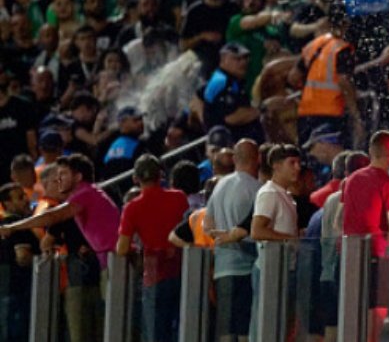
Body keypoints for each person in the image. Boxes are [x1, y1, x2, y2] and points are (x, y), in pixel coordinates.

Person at [116, 155, 190, 342]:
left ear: (135, 178)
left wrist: (135, 248)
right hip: (182, 270)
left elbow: (122, 248)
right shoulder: (179, 197)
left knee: (155, 333)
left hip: (155, 273)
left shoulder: (132, 208)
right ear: (161, 175)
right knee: (182, 329)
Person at [341, 131, 389, 342]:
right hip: (377, 256)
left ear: (370, 152)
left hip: (349, 254)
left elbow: (340, 219)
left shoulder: (350, 180)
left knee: (351, 311)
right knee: (376, 311)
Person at [204, 139, 261, 342]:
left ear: (235, 158)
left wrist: (222, 238)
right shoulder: (257, 188)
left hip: (222, 267)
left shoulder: (219, 186)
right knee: (245, 328)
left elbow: (207, 226)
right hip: (247, 267)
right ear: (258, 159)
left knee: (226, 330)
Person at [289, 2, 362, 144]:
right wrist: (355, 114)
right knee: (331, 157)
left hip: (306, 112)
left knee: (309, 156)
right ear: (346, 23)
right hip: (330, 113)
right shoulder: (342, 49)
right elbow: (343, 82)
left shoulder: (315, 44)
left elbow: (293, 77)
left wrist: (307, 92)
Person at [250, 144, 302, 340]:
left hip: (283, 269)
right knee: (268, 326)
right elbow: (257, 230)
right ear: (276, 165)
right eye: (292, 163)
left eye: (298, 163)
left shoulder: (284, 195)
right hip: (271, 271)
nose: (297, 167)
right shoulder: (269, 193)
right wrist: (290, 238)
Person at [200, 42, 261, 141]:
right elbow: (232, 117)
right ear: (223, 59)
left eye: (245, 58)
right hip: (228, 142)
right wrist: (262, 111)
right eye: (237, 59)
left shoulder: (231, 79)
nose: (243, 62)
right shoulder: (222, 81)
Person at [0, 183, 36, 341]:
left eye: (25, 195)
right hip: (18, 294)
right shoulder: (16, 224)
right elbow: (23, 257)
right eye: (20, 197)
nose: (27, 200)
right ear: (7, 203)